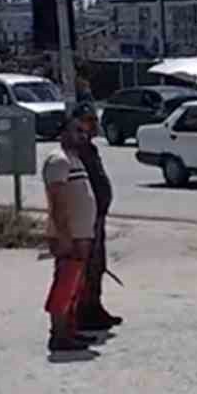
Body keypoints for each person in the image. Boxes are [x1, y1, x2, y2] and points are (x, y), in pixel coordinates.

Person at [42, 113, 99, 357]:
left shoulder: (75, 160)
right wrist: (63, 234)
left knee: (76, 284)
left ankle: (70, 329)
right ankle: (58, 334)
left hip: (82, 234)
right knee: (65, 282)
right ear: (64, 133)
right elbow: (57, 201)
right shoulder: (58, 161)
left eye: (83, 131)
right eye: (76, 131)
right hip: (71, 235)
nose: (81, 135)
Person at [72, 101, 121, 333]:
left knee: (98, 265)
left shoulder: (90, 148)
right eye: (87, 121)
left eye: (94, 121)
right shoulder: (75, 149)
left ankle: (95, 307)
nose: (92, 125)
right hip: (84, 217)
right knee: (86, 266)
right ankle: (82, 312)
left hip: (97, 215)